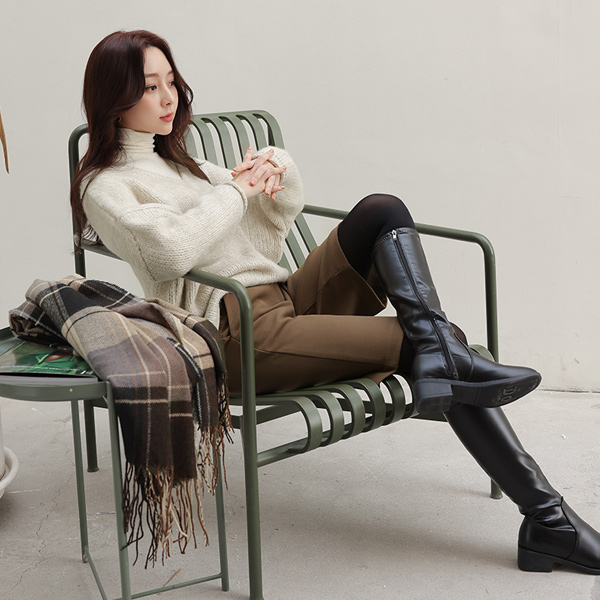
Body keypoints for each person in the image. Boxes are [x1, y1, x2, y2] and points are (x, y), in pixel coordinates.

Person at [71, 29, 600, 575]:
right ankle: (548, 519)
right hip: (235, 333)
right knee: (432, 346)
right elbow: (167, 253)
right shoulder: (105, 186)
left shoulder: (189, 166)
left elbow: (268, 229)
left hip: (284, 299)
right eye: (149, 87)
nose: (169, 98)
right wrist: (236, 192)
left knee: (382, 210)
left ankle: (451, 373)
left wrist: (275, 170)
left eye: (171, 82)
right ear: (114, 99)